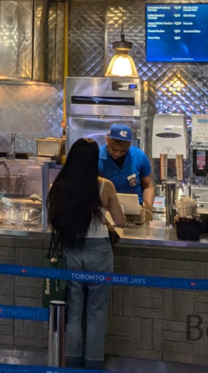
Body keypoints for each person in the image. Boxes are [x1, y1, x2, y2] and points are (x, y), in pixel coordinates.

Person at [47, 138, 127, 370]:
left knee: (73, 311)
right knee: (96, 312)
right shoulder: (104, 186)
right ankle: (93, 364)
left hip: (71, 248)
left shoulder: (59, 185)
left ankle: (71, 363)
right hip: (99, 250)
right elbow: (121, 221)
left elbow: (52, 219)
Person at [98, 124, 155, 217]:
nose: (117, 154)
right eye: (113, 149)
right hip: (106, 212)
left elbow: (148, 186)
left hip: (136, 211)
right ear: (107, 140)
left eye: (123, 151)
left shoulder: (139, 156)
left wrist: (147, 210)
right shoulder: (97, 157)